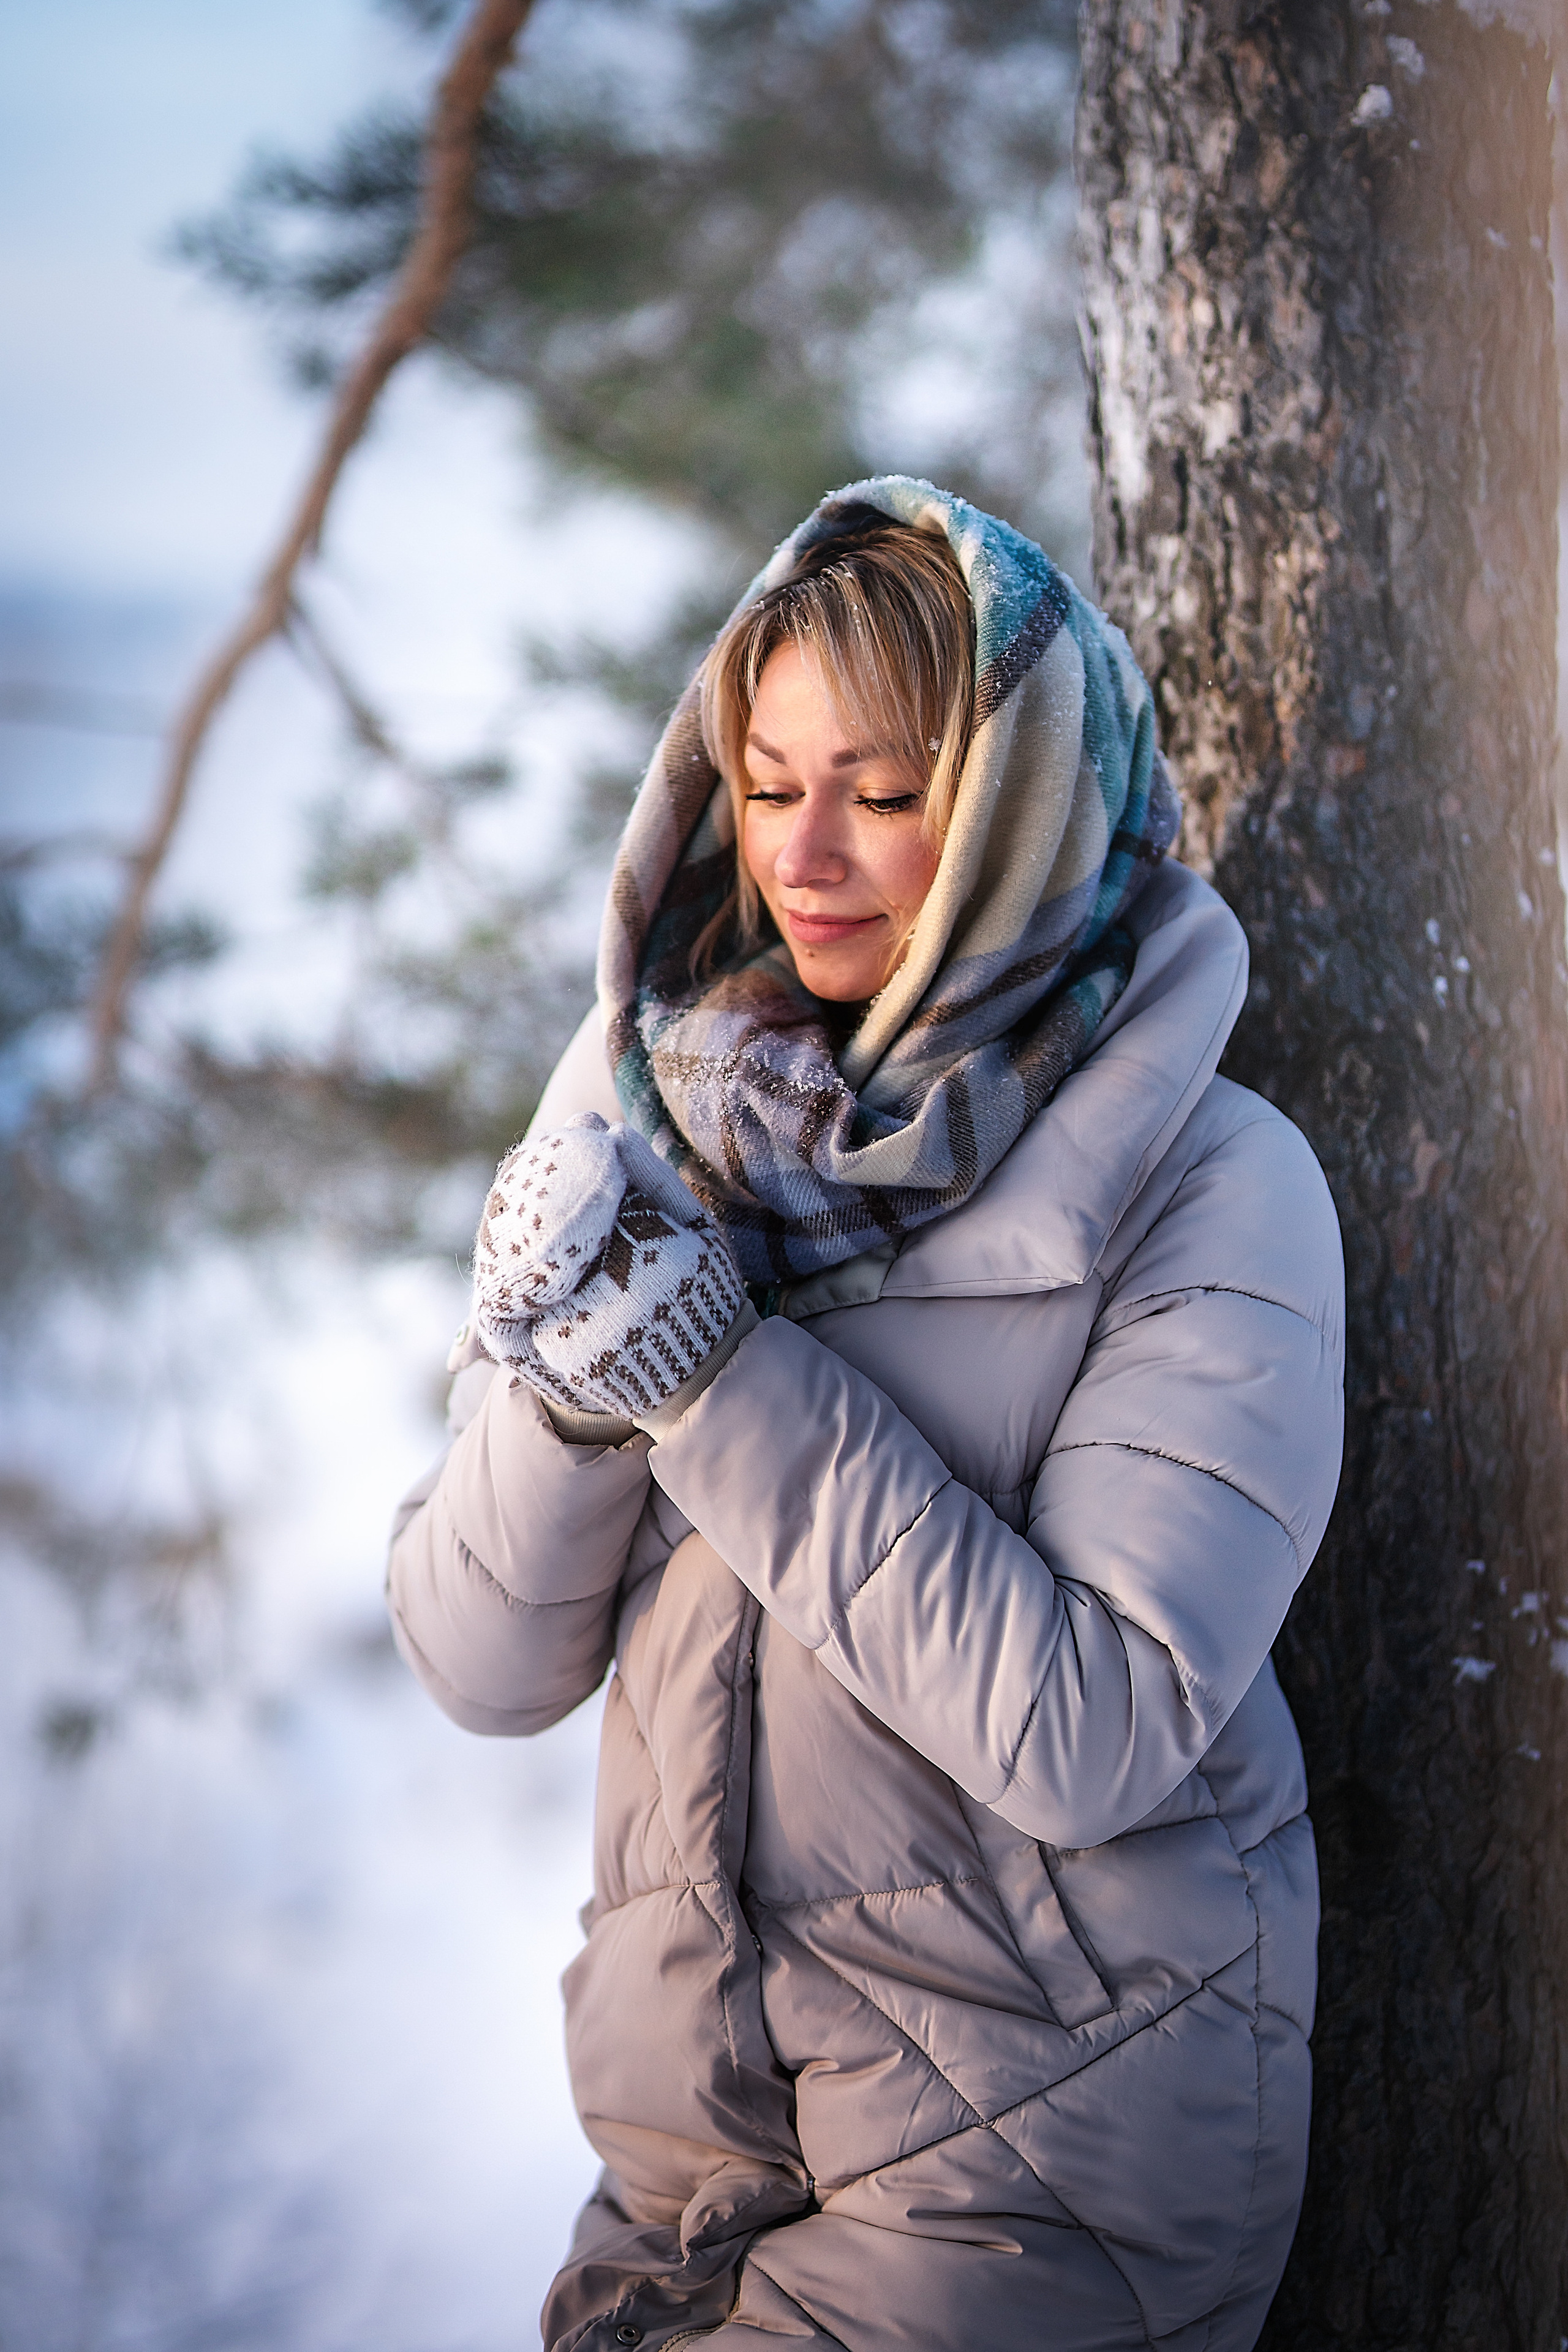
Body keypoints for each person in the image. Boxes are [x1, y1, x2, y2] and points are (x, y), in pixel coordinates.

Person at [387, 477, 1345, 2352]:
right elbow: (475, 1661)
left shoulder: (1213, 1185)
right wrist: (571, 1410)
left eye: (888, 794)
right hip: (683, 2152)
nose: (804, 853)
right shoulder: (660, 1106)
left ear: (1019, 806)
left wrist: (715, 1381)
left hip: (1050, 2161)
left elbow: (1095, 1727)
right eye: (766, 777)